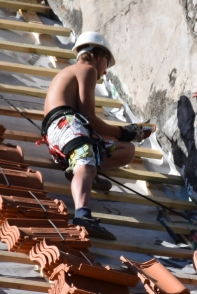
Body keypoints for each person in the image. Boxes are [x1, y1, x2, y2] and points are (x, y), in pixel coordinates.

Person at [42, 31, 152, 240]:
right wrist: (124, 131)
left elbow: (85, 122)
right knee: (86, 163)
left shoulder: (68, 72)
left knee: (127, 150)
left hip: (60, 136)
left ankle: (85, 172)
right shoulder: (87, 70)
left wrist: (125, 137)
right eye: (107, 64)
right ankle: (83, 215)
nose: (104, 73)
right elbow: (88, 117)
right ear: (98, 55)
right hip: (68, 126)